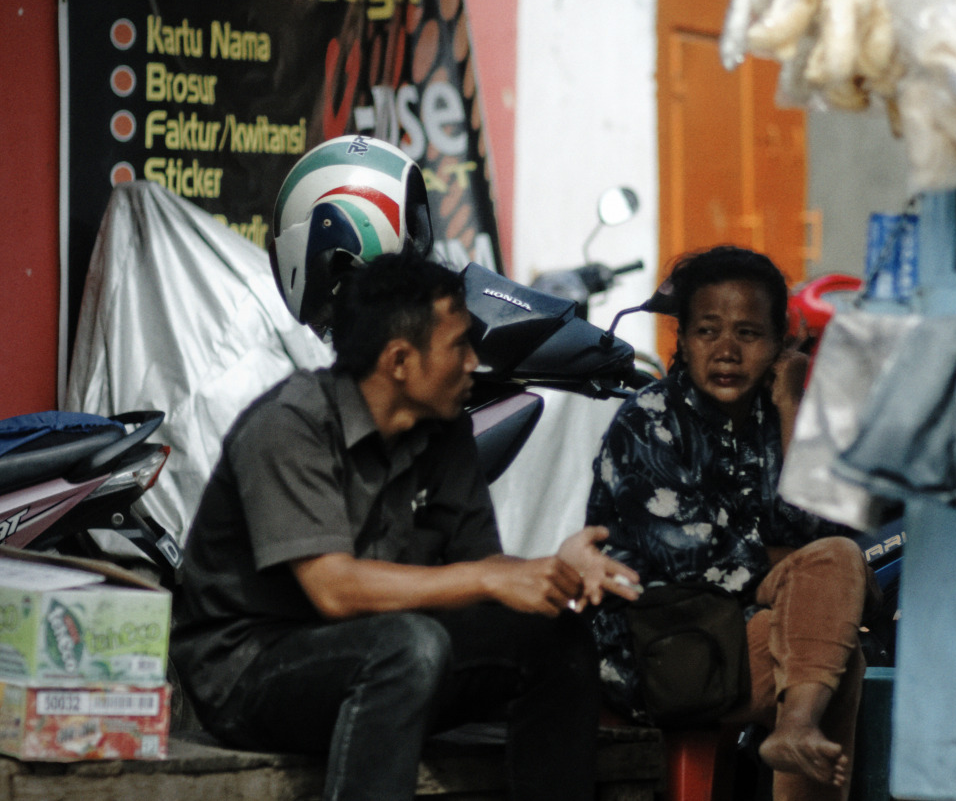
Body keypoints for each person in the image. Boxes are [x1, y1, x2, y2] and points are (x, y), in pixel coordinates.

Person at [170, 248, 640, 801]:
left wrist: (552, 571)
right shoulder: (288, 426)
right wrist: (489, 580)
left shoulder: (443, 430)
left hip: (385, 656)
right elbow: (335, 589)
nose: (473, 362)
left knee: (553, 638)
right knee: (407, 646)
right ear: (399, 361)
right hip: (249, 674)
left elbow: (480, 568)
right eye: (459, 345)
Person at [586, 245, 878, 800]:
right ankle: (797, 727)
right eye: (707, 331)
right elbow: (698, 561)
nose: (725, 351)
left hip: (739, 639)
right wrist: (819, 570)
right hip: (656, 652)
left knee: (830, 638)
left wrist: (793, 404)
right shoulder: (647, 423)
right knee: (834, 619)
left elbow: (818, 529)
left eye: (747, 334)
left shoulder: (775, 417)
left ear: (779, 344)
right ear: (682, 340)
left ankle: (796, 728)